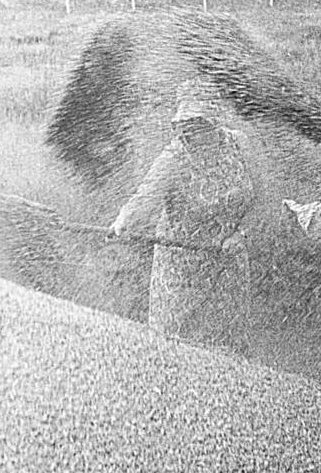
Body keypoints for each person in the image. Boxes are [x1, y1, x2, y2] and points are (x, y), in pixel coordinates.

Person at [109, 79, 255, 354]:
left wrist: (241, 233)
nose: (192, 132)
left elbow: (261, 197)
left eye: (199, 123)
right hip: (182, 268)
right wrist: (124, 222)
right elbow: (147, 195)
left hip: (228, 263)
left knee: (226, 345)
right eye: (186, 125)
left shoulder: (239, 146)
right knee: (176, 345)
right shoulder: (174, 157)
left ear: (214, 122)